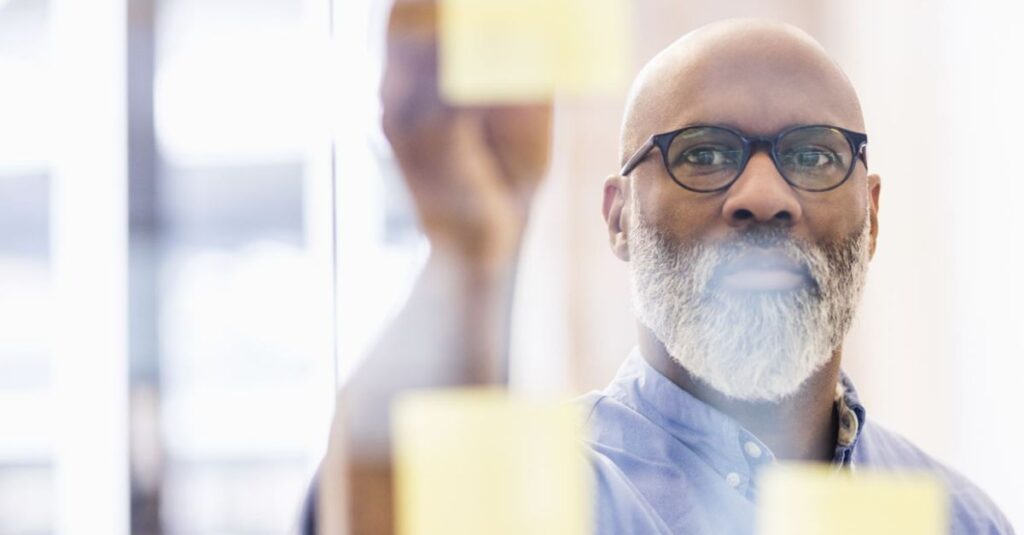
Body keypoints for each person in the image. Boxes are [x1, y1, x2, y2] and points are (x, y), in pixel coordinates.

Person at [308, 3, 1015, 534]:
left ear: (874, 215)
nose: (764, 198)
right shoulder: (539, 500)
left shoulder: (960, 518)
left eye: (813, 155)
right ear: (618, 216)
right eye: (702, 154)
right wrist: (469, 249)